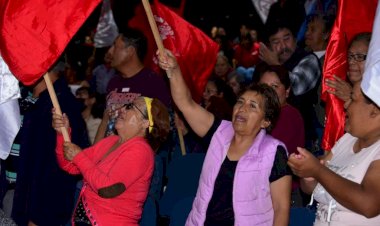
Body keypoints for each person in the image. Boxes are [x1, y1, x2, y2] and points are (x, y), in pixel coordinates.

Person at [158, 49, 292, 225]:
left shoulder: (274, 151)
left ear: (265, 121)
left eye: (252, 106)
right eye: (240, 102)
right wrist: (174, 71)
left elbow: (281, 208)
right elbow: (186, 104)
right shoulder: (219, 132)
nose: (242, 109)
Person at [52, 96, 170, 225]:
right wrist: (62, 133)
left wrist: (79, 157)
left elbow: (108, 189)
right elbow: (70, 165)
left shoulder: (141, 151)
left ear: (146, 123)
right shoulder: (112, 141)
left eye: (131, 107)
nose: (123, 109)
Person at [288, 82, 380, 225]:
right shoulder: (347, 139)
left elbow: (369, 204)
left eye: (353, 99)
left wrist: (318, 171)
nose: (346, 105)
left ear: (374, 110)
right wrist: (308, 175)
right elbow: (312, 188)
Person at [12, 62, 90, 226]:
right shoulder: (28, 97)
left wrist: (38, 215)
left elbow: (65, 165)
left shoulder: (61, 105)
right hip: (15, 195)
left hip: (39, 209)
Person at [94, 28, 171, 143]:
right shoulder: (113, 82)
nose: (110, 51)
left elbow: (160, 129)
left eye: (115, 46)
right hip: (109, 154)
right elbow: (105, 122)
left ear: (130, 51)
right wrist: (95, 154)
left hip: (134, 155)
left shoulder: (153, 82)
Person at [260, 20, 321, 151]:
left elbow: (296, 86)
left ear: (295, 39)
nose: (283, 46)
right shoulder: (263, 67)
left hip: (303, 142)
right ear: (269, 47)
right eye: (276, 42)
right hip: (267, 134)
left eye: (286, 39)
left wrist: (274, 63)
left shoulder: (308, 59)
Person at [257, 65, 305, 206]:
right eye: (264, 87)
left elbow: (267, 155)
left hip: (283, 195)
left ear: (287, 91)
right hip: (264, 192)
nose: (268, 92)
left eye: (274, 86)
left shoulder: (289, 115)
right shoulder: (262, 114)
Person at [325, 32, 372, 103]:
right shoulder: (340, 90)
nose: (351, 62)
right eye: (349, 56)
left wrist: (351, 97)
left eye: (359, 57)